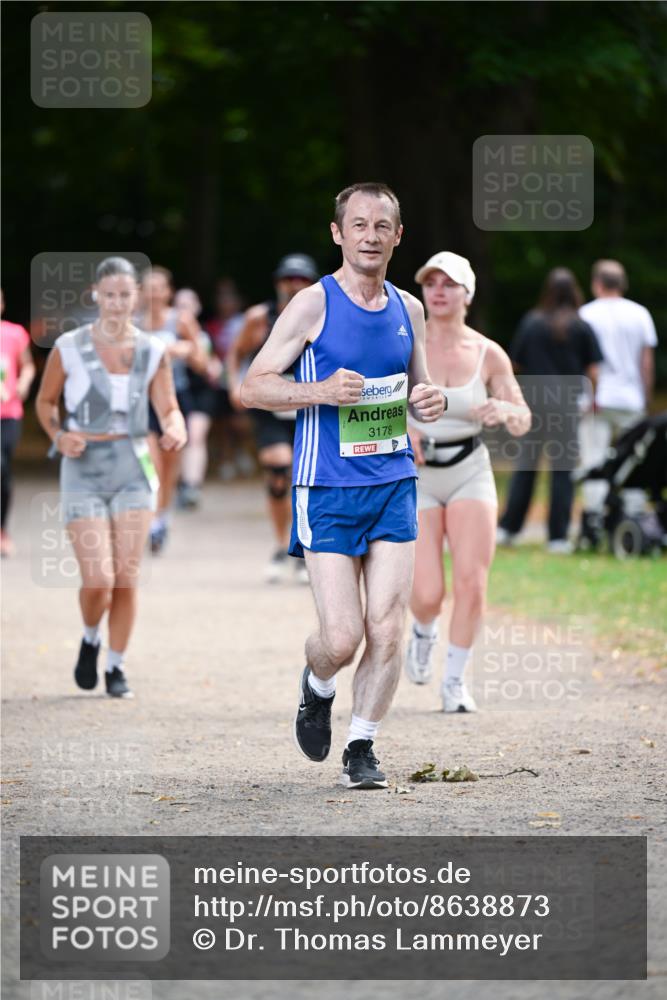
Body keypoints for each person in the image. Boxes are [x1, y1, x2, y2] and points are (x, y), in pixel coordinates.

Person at [241, 183, 445, 789]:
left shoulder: (410, 309)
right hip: (325, 486)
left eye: (382, 226)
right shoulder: (311, 304)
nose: (370, 235)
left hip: (393, 483)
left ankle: (362, 747)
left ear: (398, 236)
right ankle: (317, 683)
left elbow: (420, 388)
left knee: (387, 624)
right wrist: (320, 391)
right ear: (338, 234)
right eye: (359, 225)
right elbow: (253, 386)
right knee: (341, 636)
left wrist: (428, 401)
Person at [35, 257, 186, 698]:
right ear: (96, 296)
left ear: (136, 297)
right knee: (98, 577)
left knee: (126, 575)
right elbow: (44, 403)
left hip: (133, 464)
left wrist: (175, 426)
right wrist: (59, 435)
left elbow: (168, 407)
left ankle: (116, 666)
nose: (118, 303)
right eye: (110, 295)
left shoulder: (153, 350)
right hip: (83, 464)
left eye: (126, 295)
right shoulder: (68, 346)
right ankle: (89, 636)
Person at [404, 252, 530, 711]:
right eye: (430, 282)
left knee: (473, 583)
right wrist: (406, 429)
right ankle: (422, 630)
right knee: (426, 593)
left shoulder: (487, 352)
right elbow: (374, 406)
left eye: (449, 283)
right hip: (415, 474)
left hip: (469, 470)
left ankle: (454, 682)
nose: (438, 290)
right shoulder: (405, 344)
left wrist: (504, 410)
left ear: (467, 294)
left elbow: (522, 419)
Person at [496, 268, 603, 553]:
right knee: (563, 471)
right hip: (566, 405)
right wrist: (592, 398)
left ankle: (508, 529)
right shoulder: (581, 325)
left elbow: (514, 363)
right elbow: (593, 371)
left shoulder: (532, 322)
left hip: (533, 402)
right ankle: (557, 537)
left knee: (526, 467)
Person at [228, 254, 319, 583]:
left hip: (309, 404)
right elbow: (235, 353)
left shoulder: (323, 315)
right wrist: (233, 386)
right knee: (279, 471)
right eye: (288, 278)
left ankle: (304, 547)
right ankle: (282, 544)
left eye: (301, 279)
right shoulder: (259, 318)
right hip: (271, 406)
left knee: (306, 479)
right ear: (278, 282)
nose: (294, 284)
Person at [577, 259, 658, 548]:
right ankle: (633, 515)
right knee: (635, 459)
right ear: (623, 284)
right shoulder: (640, 314)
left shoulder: (586, 314)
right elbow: (645, 362)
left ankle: (593, 520)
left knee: (594, 458)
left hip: (596, 399)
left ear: (596, 283)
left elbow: (585, 362)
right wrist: (645, 398)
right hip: (630, 398)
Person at [136, 267, 205, 552]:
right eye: (148, 288)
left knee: (170, 464)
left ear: (168, 292)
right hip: (142, 401)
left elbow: (202, 360)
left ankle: (162, 516)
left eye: (158, 288)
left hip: (176, 399)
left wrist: (185, 350)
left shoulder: (181, 320)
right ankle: (151, 521)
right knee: (150, 463)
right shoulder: (132, 323)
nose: (153, 294)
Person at [173, 287, 223, 509]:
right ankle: (177, 484)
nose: (183, 310)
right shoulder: (165, 333)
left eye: (188, 305)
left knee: (195, 435)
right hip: (175, 392)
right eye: (179, 305)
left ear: (197, 307)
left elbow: (208, 365)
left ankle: (191, 485)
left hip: (201, 391)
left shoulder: (202, 335)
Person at [204, 278, 253, 481]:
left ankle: (244, 454)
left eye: (229, 299)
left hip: (243, 377)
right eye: (222, 299)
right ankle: (226, 459)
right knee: (222, 423)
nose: (225, 303)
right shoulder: (213, 326)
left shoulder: (245, 322)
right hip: (219, 381)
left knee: (240, 422)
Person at [1, 290, 36, 557]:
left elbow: (28, 365)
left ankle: (2, 529)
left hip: (8, 412)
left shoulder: (14, 334)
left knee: (2, 469)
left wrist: (23, 384)